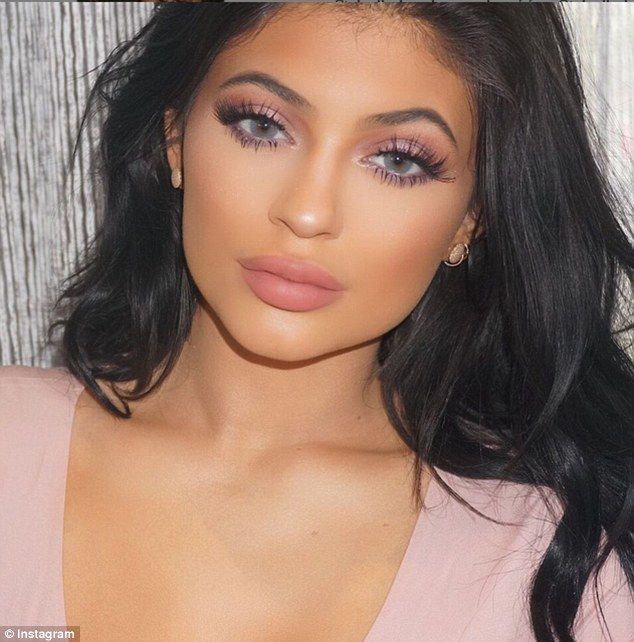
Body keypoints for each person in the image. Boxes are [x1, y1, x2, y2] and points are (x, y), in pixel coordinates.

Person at [1, 3, 633, 641]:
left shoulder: (556, 569)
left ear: (471, 219)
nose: (307, 213)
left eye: (398, 161)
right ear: (175, 139)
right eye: (262, 125)